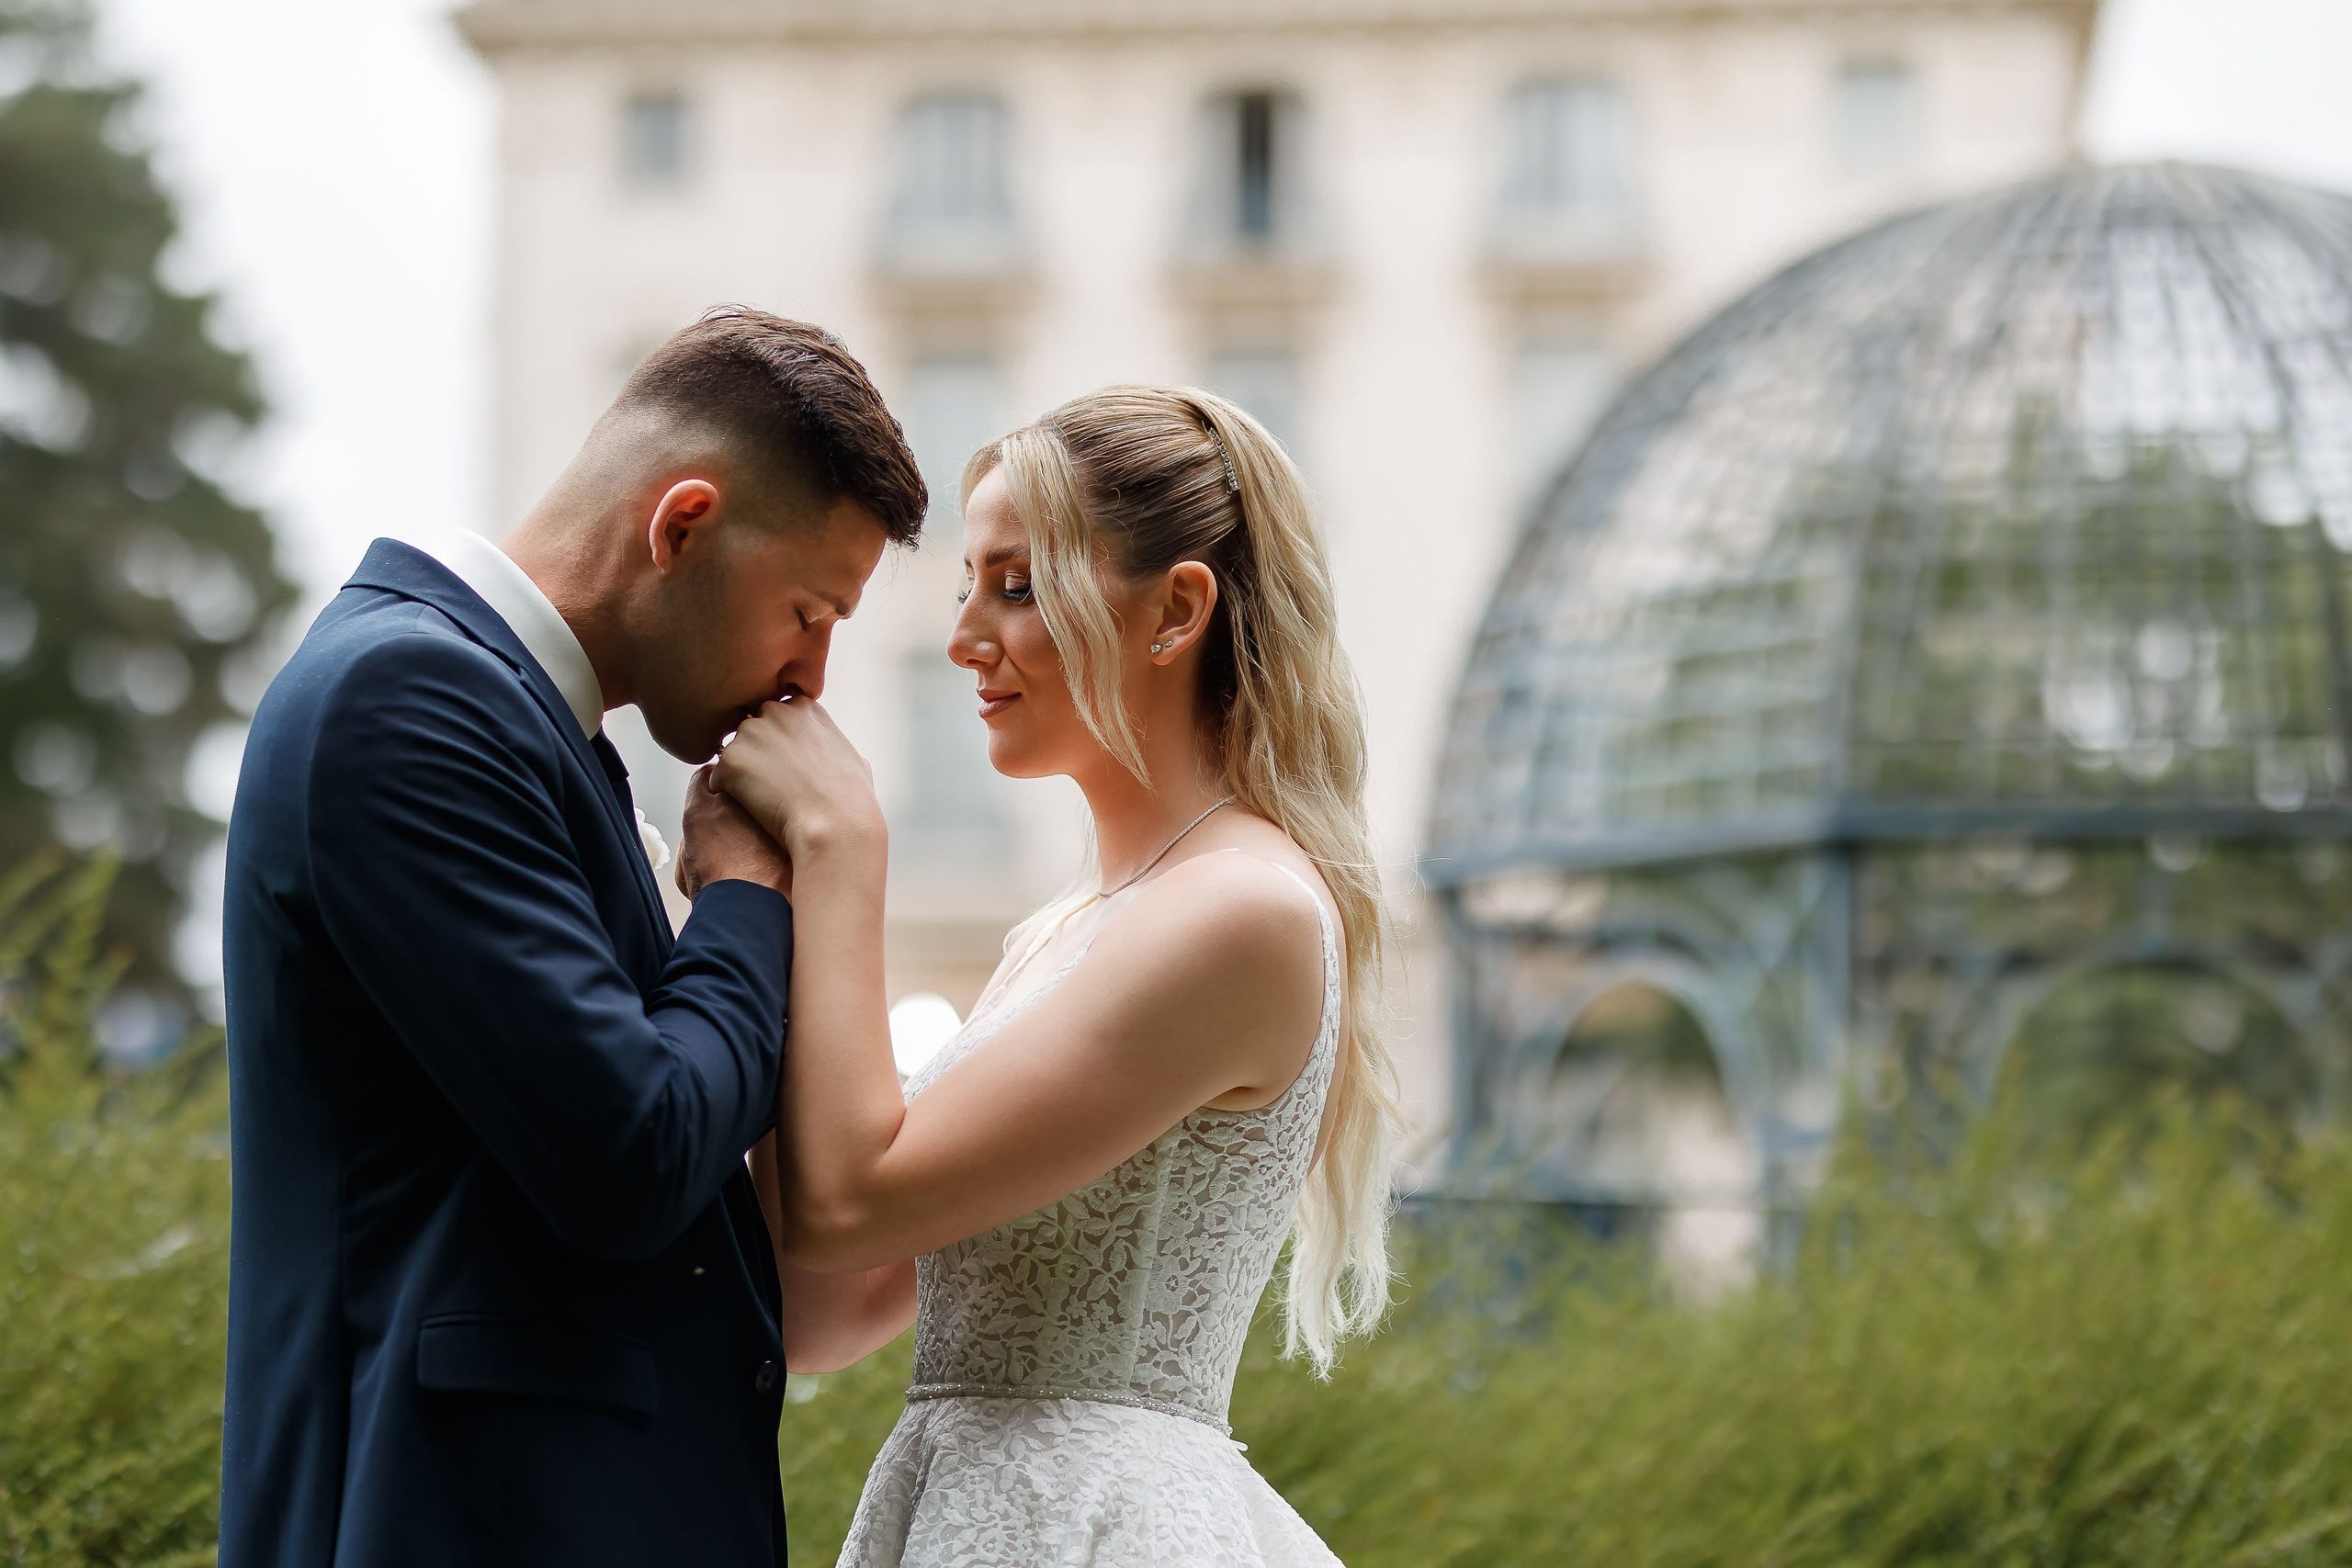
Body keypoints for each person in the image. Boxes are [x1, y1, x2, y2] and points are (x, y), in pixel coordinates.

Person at [217, 309, 926, 1568]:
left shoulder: (538, 731)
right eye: (811, 610)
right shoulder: (408, 698)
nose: (808, 675)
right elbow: (635, 1148)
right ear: (684, 525)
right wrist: (748, 896)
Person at [713, 385, 1399, 1566]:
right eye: (967, 584)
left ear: (1176, 610)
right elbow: (823, 1299)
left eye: (1017, 584)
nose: (965, 634)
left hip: (1098, 1527)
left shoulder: (1240, 912)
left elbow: (845, 1204)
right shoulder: (1062, 935)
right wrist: (769, 895)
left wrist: (842, 854)